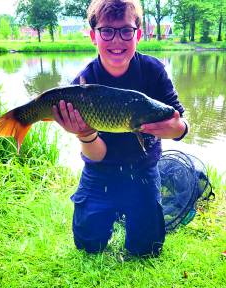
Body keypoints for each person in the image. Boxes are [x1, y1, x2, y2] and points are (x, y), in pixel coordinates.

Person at [52, 0, 188, 257]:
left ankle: (134, 210)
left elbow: (180, 126)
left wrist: (172, 127)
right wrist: (85, 134)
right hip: (99, 172)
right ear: (93, 36)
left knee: (147, 250)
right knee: (88, 246)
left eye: (126, 30)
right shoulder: (84, 82)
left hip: (143, 171)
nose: (117, 40)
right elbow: (96, 155)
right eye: (107, 31)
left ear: (138, 34)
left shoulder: (153, 71)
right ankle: (107, 211)